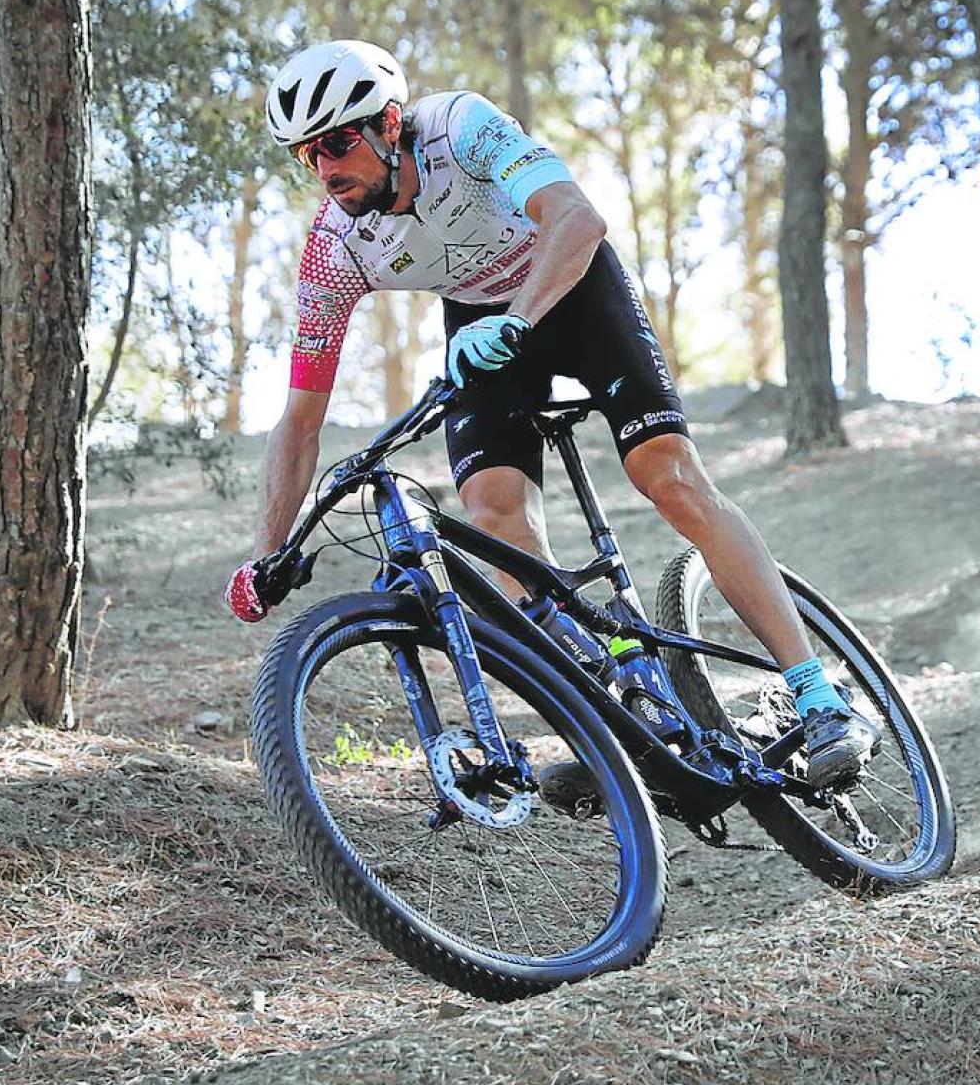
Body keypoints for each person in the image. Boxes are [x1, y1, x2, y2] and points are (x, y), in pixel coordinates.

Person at [223, 39, 879, 788]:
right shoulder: (334, 246)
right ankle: (623, 705)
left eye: (337, 143)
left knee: (665, 474)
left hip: (568, 284)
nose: (325, 169)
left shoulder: (460, 127)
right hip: (477, 324)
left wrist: (522, 317)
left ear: (391, 124)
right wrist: (267, 553)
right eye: (306, 155)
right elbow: (301, 416)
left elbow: (576, 218)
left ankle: (819, 696)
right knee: (494, 521)